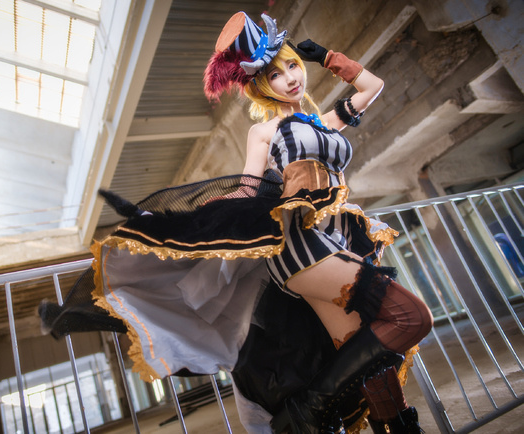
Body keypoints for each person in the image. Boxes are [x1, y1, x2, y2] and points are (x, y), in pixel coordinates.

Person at [40, 11, 433, 434]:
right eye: (276, 74)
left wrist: (328, 57)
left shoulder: (325, 123)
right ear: (261, 86)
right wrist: (174, 224)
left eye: (292, 66)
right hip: (301, 247)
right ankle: (310, 407)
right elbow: (246, 190)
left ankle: (355, 419)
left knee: (368, 358)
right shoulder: (267, 132)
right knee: (412, 317)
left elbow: (372, 86)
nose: (290, 78)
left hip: (337, 238)